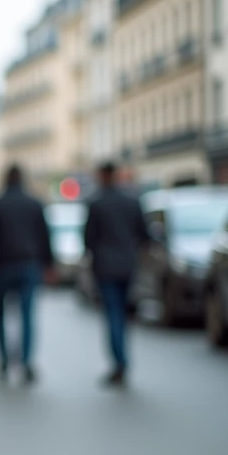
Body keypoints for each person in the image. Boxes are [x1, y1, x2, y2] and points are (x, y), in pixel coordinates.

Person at [0, 164, 53, 383]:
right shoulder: (35, 204)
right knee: (27, 315)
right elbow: (44, 236)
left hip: (2, 266)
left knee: (0, 315)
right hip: (29, 265)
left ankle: (3, 359)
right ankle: (26, 360)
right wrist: (49, 265)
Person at [83, 161, 149, 386]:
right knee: (122, 313)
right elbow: (144, 234)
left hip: (105, 267)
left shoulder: (96, 203)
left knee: (113, 314)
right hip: (127, 264)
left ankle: (119, 362)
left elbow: (89, 239)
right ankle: (122, 360)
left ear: (103, 176)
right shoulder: (132, 201)